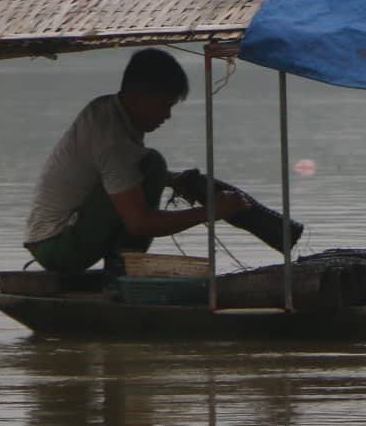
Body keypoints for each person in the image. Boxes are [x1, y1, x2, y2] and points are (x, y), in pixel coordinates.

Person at [24, 48, 249, 274]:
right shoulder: (113, 140)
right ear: (137, 97)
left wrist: (172, 180)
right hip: (58, 246)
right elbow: (140, 223)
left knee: (153, 168)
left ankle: (121, 267)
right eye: (164, 105)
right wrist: (211, 212)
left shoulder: (108, 109)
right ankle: (122, 271)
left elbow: (115, 172)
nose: (167, 115)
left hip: (51, 240)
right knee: (153, 164)